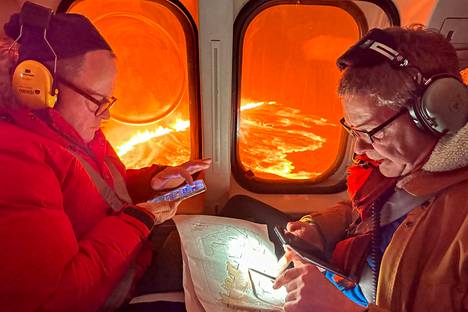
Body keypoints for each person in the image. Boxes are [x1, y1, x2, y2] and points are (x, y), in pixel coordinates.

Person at [222, 26, 468, 312]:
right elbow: (366, 212)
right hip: (340, 277)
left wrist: (341, 309)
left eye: (371, 132)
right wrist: (318, 230)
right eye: (353, 131)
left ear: (434, 114)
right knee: (238, 206)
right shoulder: (399, 170)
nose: (359, 149)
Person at [0, 6, 210, 312]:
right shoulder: (14, 160)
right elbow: (54, 301)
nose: (106, 114)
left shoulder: (76, 131)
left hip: (129, 265)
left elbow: (100, 190)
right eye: (98, 101)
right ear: (38, 87)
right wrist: (143, 217)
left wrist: (151, 183)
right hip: (114, 295)